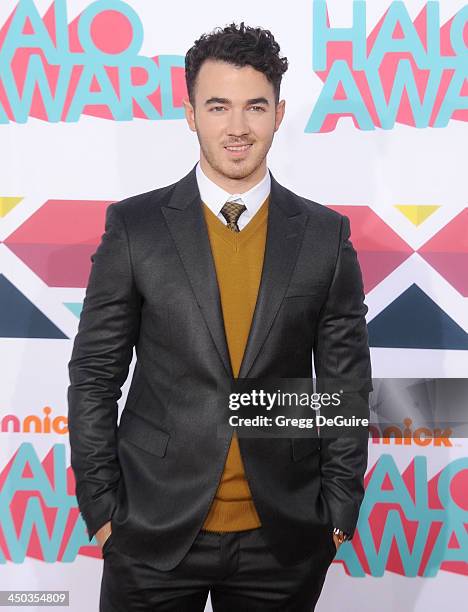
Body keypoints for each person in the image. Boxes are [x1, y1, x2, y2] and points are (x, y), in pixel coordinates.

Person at [67, 21, 373, 611]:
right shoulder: (135, 228)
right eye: (218, 106)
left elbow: (344, 384)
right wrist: (103, 509)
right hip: (151, 531)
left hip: (283, 538)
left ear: (279, 114)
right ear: (190, 114)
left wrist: (337, 510)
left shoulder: (324, 236)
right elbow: (96, 376)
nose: (237, 128)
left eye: (255, 107)